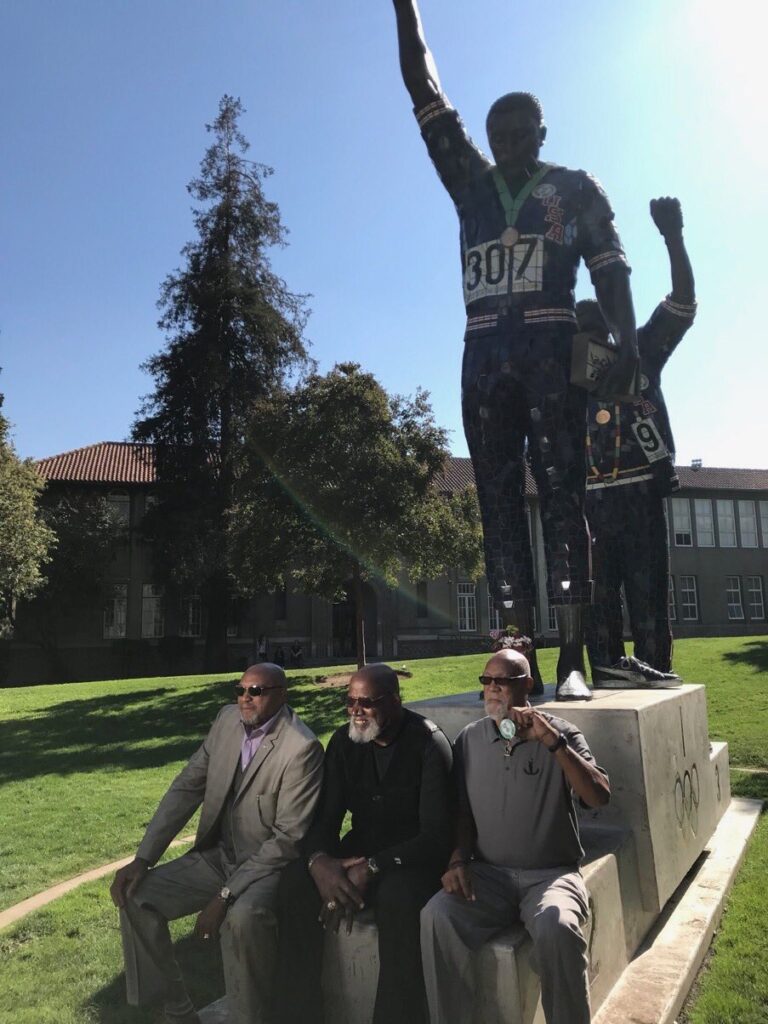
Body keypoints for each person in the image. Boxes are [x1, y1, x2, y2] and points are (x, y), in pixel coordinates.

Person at [391, 0, 639, 700]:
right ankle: (516, 646)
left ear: (541, 133)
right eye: (496, 132)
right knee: (495, 502)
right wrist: (403, 6)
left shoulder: (574, 186)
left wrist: (624, 342)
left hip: (552, 350)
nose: (504, 142)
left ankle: (572, 658)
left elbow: (612, 269)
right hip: (483, 358)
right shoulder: (469, 183)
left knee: (563, 494)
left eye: (518, 132)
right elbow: (424, 87)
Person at [110, 663, 323, 1024]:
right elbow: (186, 787)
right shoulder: (226, 722)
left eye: (256, 691)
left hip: (266, 869)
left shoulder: (302, 748)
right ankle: (177, 1010)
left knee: (241, 920)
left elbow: (287, 840)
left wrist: (225, 896)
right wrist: (142, 859)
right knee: (136, 896)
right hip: (217, 857)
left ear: (282, 694)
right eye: (240, 690)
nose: (245, 698)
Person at [420, 648, 609, 1024]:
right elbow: (462, 813)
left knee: (558, 926)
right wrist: (458, 859)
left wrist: (552, 742)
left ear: (528, 684)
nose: (492, 689)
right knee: (437, 915)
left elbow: (598, 796)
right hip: (488, 876)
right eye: (486, 681)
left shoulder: (562, 734)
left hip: (551, 875)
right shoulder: (471, 739)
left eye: (502, 681)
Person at [276, 663, 453, 1024]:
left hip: (411, 860)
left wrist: (374, 868)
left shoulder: (428, 743)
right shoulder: (343, 743)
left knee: (398, 900)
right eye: (350, 701)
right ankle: (298, 1014)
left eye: (366, 703)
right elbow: (325, 819)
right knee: (294, 883)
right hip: (359, 853)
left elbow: (436, 836)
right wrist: (319, 862)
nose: (356, 711)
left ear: (394, 701)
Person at [580, 197, 697, 685]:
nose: (588, 342)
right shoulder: (562, 382)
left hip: (642, 492)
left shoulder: (640, 351)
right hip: (591, 505)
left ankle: (658, 677)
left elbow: (683, 302)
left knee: (649, 598)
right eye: (577, 333)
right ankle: (606, 677)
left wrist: (673, 237)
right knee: (598, 600)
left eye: (596, 329)